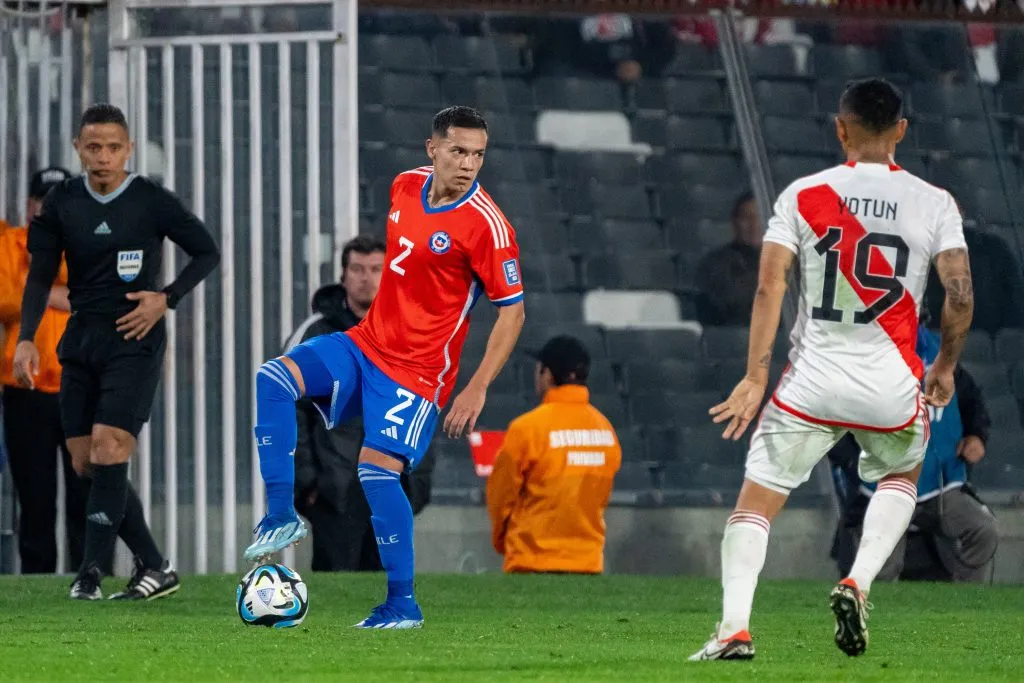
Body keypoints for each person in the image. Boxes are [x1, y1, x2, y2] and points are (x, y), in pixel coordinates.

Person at [689, 78, 973, 661]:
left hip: (811, 383)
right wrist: (944, 363)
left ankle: (734, 632)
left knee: (755, 502)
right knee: (900, 476)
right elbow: (960, 296)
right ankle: (858, 581)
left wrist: (754, 375)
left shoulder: (803, 194)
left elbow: (770, 285)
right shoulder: (934, 201)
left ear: (840, 128)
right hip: (891, 383)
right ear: (901, 131)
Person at [245, 105, 526, 629]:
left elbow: (513, 310)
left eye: (478, 154)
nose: (468, 163)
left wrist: (477, 387)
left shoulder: (488, 226)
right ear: (432, 148)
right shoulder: (403, 187)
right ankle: (281, 515)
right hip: (365, 344)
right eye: (459, 150)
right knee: (274, 378)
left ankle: (402, 604)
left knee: (376, 472)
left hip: (418, 374)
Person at [14, 104, 220, 600]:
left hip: (134, 338)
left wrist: (165, 298)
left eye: (112, 147)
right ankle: (155, 565)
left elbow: (207, 250)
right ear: (78, 150)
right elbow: (40, 275)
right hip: (82, 337)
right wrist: (25, 337)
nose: (103, 157)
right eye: (93, 148)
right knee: (87, 464)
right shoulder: (61, 203)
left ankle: (88, 574)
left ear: (127, 150)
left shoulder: (149, 199)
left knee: (110, 449)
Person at [287, 235, 436, 571]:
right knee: (337, 598)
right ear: (343, 276)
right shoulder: (315, 335)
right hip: (336, 490)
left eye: (375, 269)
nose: (366, 277)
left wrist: (419, 481)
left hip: (393, 483)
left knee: (387, 594)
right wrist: (308, 482)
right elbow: (289, 404)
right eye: (357, 268)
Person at [831, 324, 996, 584]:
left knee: (983, 530)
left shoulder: (938, 356)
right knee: (883, 564)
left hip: (938, 486)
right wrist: (856, 466)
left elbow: (971, 399)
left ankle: (966, 603)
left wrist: (977, 435)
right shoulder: (861, 362)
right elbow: (833, 424)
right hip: (881, 488)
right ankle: (876, 615)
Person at [0, 166, 93, 574]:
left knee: (86, 492)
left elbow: (106, 297)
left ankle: (90, 575)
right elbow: (5, 298)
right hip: (26, 388)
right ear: (30, 205)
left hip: (83, 384)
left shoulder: (91, 244)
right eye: (44, 200)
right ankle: (37, 581)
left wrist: (42, 290)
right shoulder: (10, 244)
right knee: (34, 497)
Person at [486, 335, 621, 574]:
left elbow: (501, 496)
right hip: (588, 563)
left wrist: (503, 542)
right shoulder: (606, 430)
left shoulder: (526, 429)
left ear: (546, 374)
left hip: (531, 562)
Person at [695, 192, 762, 327]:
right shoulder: (714, 264)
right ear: (735, 222)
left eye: (759, 218)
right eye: (747, 218)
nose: (754, 225)